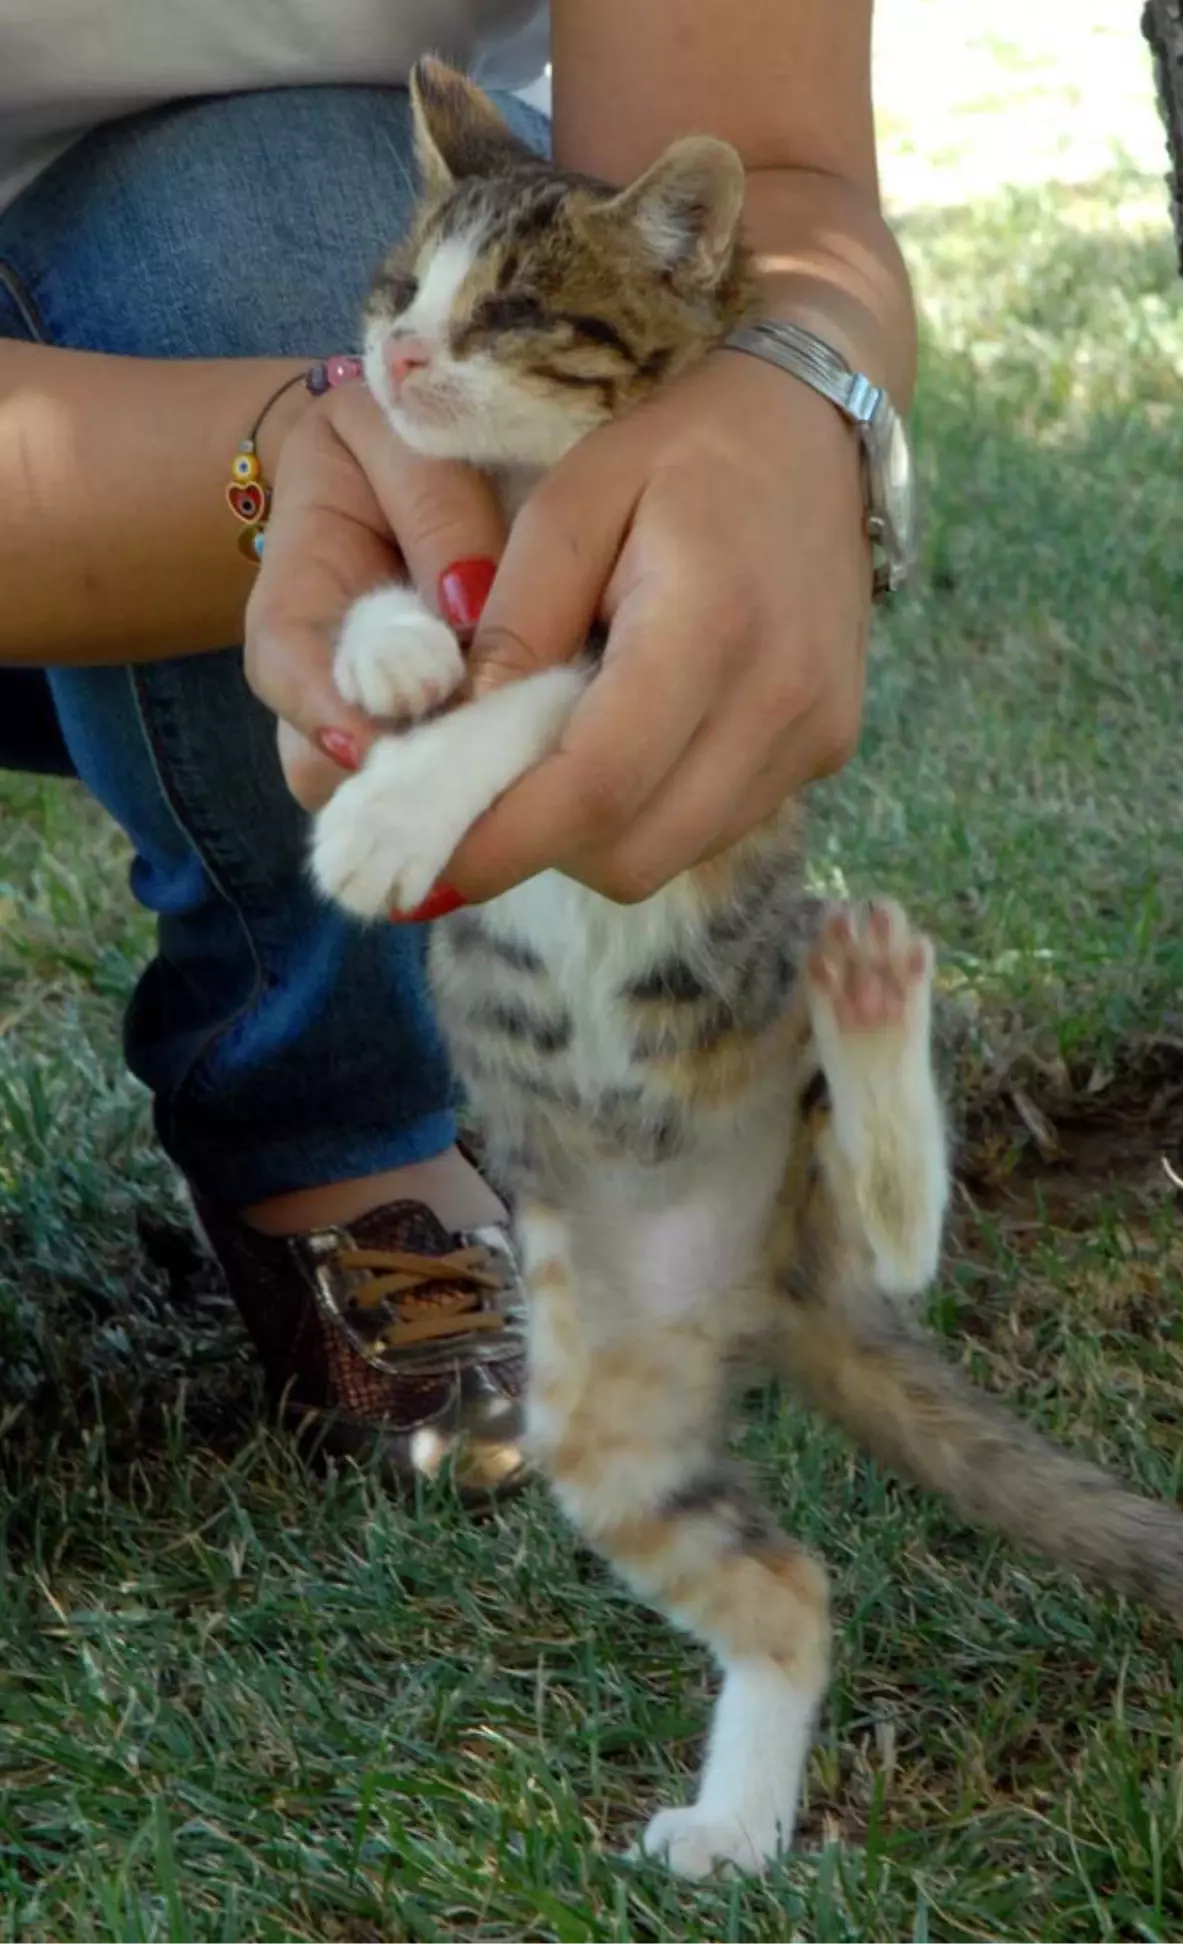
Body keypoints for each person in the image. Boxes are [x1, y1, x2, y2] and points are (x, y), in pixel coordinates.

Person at [0, 1, 915, 1493]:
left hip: (276, 249)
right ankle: (346, 1084)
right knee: (276, 255)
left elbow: (777, 165)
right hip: (140, 417)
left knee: (277, 194)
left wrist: (800, 402)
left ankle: (357, 1136)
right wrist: (273, 457)